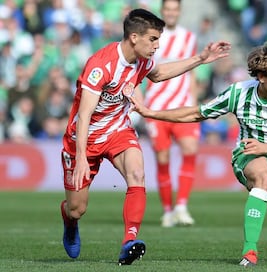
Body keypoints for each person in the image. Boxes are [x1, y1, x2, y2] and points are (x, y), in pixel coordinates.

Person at [130, 40, 267, 266]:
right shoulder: (238, 93)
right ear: (261, 77)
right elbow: (196, 114)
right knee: (264, 176)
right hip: (248, 155)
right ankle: (249, 252)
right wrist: (151, 113)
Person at [59, 8, 231, 266]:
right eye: (153, 39)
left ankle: (129, 241)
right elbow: (84, 115)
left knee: (137, 175)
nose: (157, 45)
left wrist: (200, 59)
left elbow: (159, 74)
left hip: (118, 129)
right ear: (134, 38)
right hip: (84, 138)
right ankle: (69, 221)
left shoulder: (141, 60)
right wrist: (82, 156)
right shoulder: (100, 65)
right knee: (77, 208)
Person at [143, 0, 199, 227]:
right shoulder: (153, 37)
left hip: (183, 105)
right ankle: (167, 210)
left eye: (175, 10)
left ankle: (182, 206)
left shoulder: (189, 38)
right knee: (163, 158)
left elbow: (192, 72)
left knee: (190, 149)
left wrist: (194, 101)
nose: (171, 13)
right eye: (167, 10)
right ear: (162, 11)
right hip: (156, 107)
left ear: (179, 11)